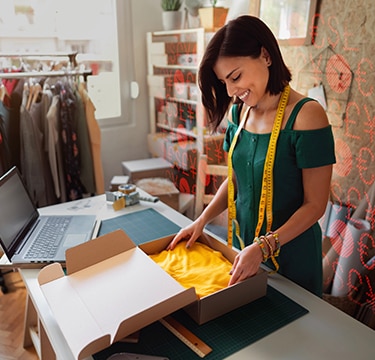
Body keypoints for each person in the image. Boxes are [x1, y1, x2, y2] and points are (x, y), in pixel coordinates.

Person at [168, 15, 336, 297]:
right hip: (243, 250)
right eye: (224, 82)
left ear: (266, 56)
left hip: (292, 260)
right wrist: (201, 221)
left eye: (236, 76)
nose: (232, 91)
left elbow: (315, 205)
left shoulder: (307, 115)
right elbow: (234, 179)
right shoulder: (240, 112)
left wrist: (263, 247)